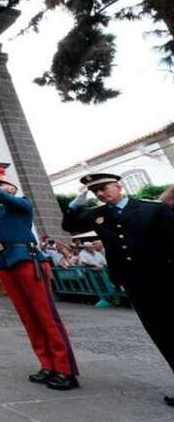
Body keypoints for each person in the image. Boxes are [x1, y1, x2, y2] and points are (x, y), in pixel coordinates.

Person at [62, 173, 174, 406]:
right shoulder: (98, 215)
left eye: (105, 188)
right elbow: (69, 226)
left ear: (118, 186)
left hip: (165, 279)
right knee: (161, 334)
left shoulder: (152, 209)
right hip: (134, 283)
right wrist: (76, 203)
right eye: (96, 192)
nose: (101, 194)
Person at [0, 164, 79, 390]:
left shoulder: (22, 204)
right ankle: (47, 364)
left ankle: (65, 369)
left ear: (12, 189)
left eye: (2, 186)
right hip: (5, 262)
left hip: (26, 260)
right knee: (28, 316)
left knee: (45, 314)